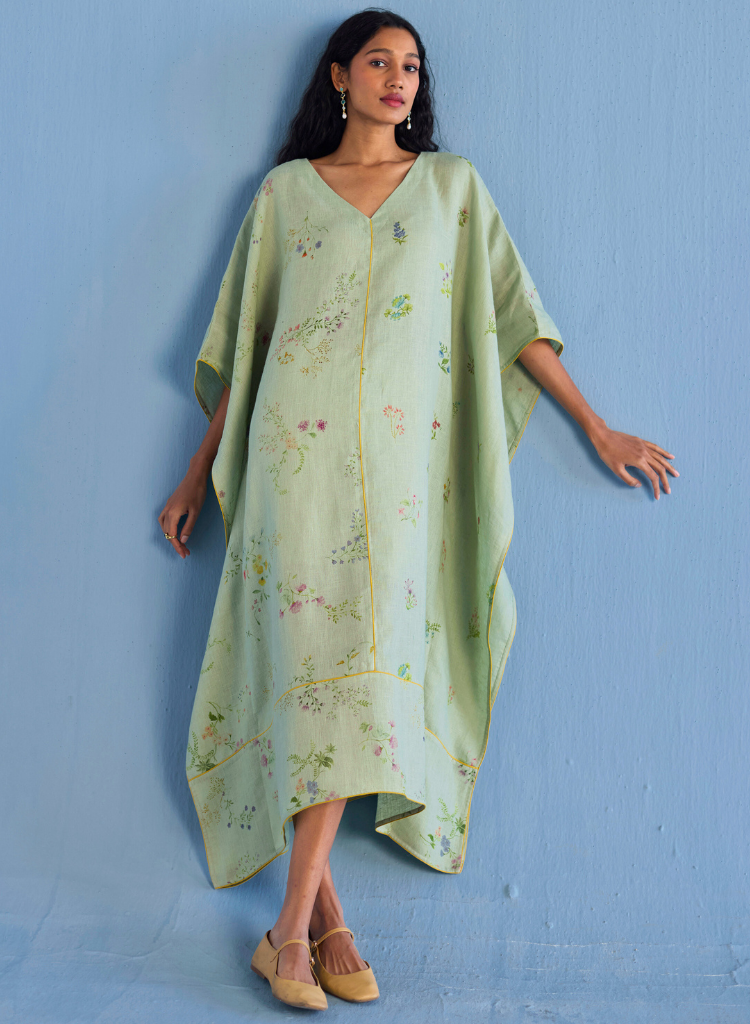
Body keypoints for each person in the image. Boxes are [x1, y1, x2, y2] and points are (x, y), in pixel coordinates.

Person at [157, 9, 678, 1012]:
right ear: (340, 77)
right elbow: (248, 347)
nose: (399, 78)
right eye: (379, 62)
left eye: (412, 66)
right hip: (292, 477)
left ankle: (293, 928)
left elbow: (515, 319)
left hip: (403, 486)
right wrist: (195, 472)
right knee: (307, 681)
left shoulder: (452, 188)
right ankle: (317, 926)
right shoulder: (283, 196)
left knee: (365, 682)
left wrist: (599, 427)